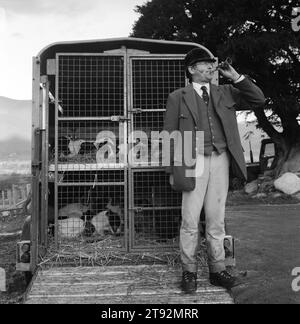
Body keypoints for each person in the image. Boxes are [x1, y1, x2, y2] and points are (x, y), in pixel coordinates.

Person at [163, 48, 265, 293]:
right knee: (189, 220)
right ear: (191, 70)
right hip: (192, 161)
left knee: (216, 220)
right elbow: (169, 136)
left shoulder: (226, 91)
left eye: (212, 63)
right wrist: (172, 170)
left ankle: (218, 271)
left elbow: (259, 99)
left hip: (221, 159)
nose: (211, 67)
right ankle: (189, 273)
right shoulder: (178, 96)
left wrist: (236, 77)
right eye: (204, 64)